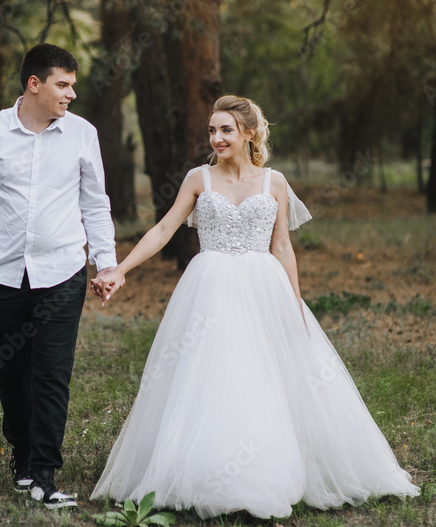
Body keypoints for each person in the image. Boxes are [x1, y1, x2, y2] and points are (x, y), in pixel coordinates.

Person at [89, 95, 419, 519]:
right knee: (210, 375)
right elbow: (164, 229)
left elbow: (282, 245)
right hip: (210, 286)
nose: (217, 137)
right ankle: (206, 471)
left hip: (265, 286)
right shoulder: (198, 178)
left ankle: (266, 470)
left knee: (267, 374)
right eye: (212, 130)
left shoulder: (274, 182)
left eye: (226, 129)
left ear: (248, 133)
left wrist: (295, 304)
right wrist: (120, 268)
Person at [0, 43, 118, 510]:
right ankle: (22, 455)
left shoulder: (83, 134)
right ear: (34, 84)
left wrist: (105, 262)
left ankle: (45, 472)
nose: (72, 94)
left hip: (63, 271)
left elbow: (95, 204)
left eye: (73, 84)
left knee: (53, 373)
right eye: (63, 84)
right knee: (11, 370)